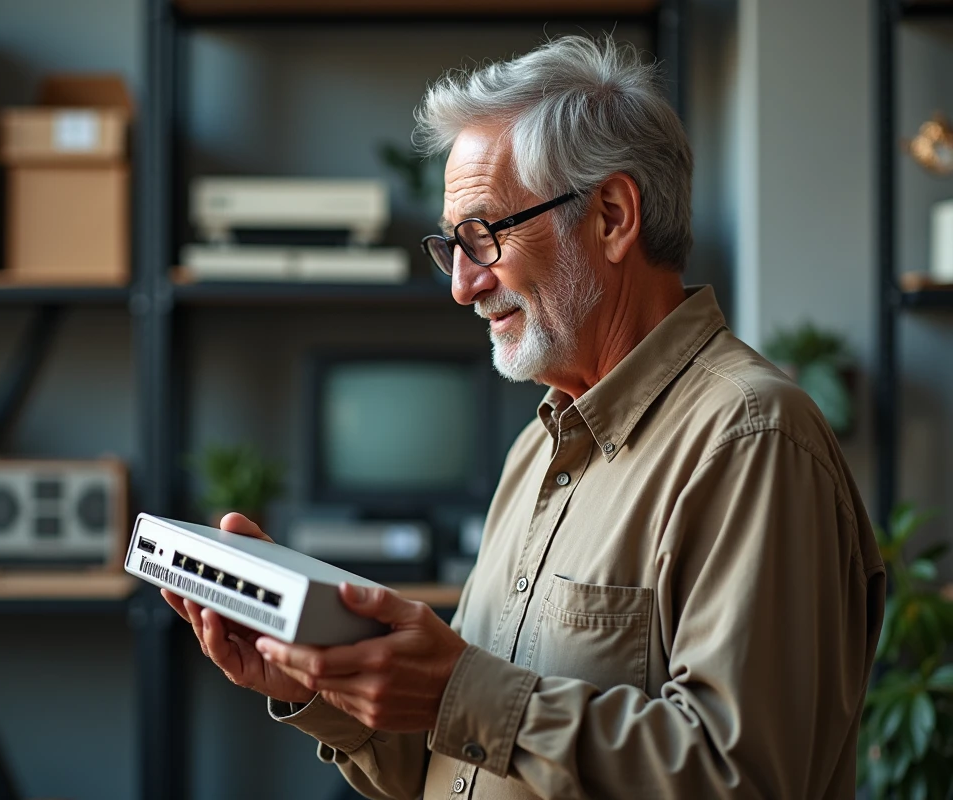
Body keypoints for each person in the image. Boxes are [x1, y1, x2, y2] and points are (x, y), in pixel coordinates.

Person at [162, 34, 885, 799]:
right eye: (452, 246)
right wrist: (320, 680)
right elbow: (461, 761)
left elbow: (742, 780)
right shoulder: (533, 453)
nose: (462, 285)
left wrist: (457, 690)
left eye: (483, 236)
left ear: (612, 216)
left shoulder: (752, 438)